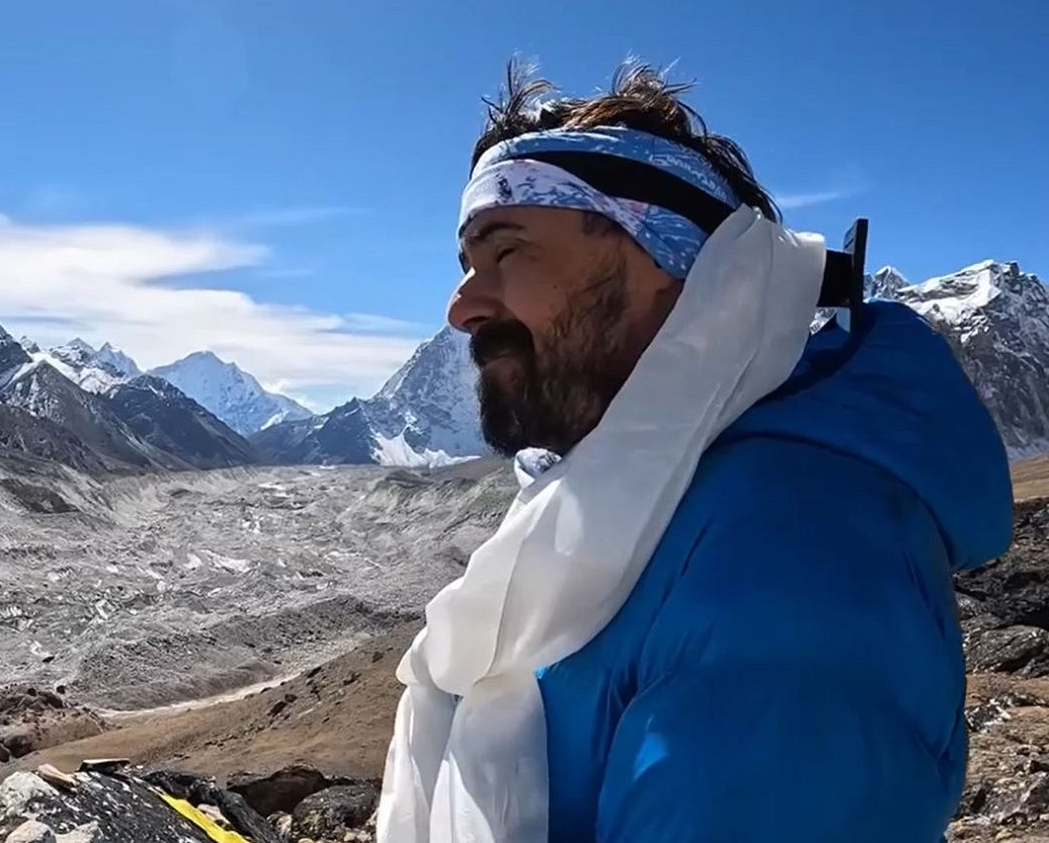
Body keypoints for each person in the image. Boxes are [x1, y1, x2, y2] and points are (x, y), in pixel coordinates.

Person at [377, 61, 1014, 843]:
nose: (461, 307)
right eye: (467, 264)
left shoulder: (787, 563)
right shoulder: (638, 499)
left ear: (684, 271)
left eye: (506, 251)